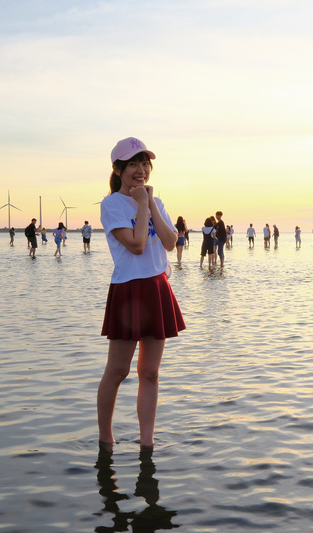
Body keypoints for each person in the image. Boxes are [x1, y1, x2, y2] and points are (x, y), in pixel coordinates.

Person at [97, 136, 184, 452]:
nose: (140, 169)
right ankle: (106, 438)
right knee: (118, 371)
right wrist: (143, 203)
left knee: (150, 371)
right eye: (133, 163)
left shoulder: (157, 202)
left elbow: (171, 241)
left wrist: (150, 203)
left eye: (145, 163)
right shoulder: (112, 204)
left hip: (157, 287)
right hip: (129, 291)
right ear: (118, 169)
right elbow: (134, 244)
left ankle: (147, 442)